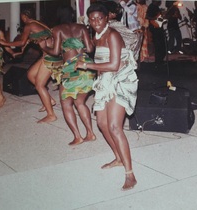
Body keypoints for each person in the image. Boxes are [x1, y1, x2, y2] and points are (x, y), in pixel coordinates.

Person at [75, 3, 138, 190]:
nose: (96, 22)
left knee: (114, 126)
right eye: (92, 19)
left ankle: (130, 175)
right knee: (102, 124)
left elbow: (114, 65)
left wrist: (86, 66)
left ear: (106, 18)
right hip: (104, 80)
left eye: (99, 18)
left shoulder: (113, 35)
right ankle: (118, 158)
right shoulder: (96, 35)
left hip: (120, 79)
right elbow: (97, 55)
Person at [41, 6, 96, 146]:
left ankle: (78, 137)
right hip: (87, 67)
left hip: (72, 69)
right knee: (80, 102)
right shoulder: (82, 27)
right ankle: (90, 133)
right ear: (72, 14)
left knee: (66, 104)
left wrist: (44, 47)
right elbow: (90, 49)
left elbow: (54, 52)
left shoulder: (57, 29)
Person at [0, 9, 63, 123]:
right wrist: (21, 49)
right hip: (49, 55)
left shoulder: (29, 25)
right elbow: (29, 40)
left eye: (22, 17)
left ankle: (51, 115)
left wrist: (5, 43)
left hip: (50, 57)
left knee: (39, 85)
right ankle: (50, 100)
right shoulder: (37, 23)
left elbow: (22, 42)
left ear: (24, 17)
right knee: (31, 75)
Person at [146, 0, 166, 69]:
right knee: (158, 45)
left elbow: (158, 18)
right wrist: (155, 18)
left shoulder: (156, 7)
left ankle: (160, 60)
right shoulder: (152, 7)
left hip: (158, 28)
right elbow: (147, 16)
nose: (160, 1)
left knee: (161, 45)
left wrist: (163, 18)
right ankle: (158, 61)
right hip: (155, 29)